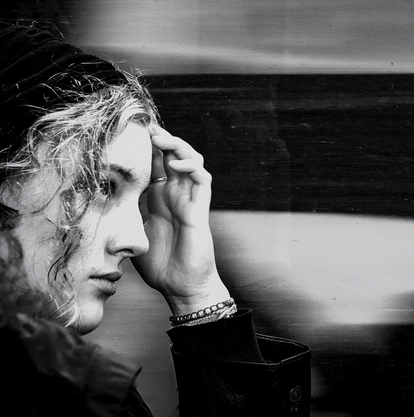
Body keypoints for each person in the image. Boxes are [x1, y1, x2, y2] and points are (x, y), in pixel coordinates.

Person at [0, 22, 310, 416]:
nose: (138, 242)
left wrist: (198, 296)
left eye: (141, 199)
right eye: (102, 186)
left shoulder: (72, 384)